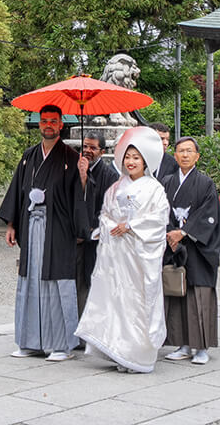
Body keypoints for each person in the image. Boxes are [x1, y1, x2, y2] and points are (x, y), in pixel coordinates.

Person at [0, 105, 90, 361]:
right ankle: (30, 342)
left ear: (61, 124)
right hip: (31, 227)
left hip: (58, 229)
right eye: (44, 121)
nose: (48, 125)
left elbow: (78, 197)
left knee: (58, 282)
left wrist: (82, 177)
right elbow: (17, 191)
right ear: (39, 124)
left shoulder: (71, 157)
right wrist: (11, 224)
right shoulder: (28, 156)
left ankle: (62, 344)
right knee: (30, 282)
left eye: (53, 121)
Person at [75, 126, 170, 373]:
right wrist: (110, 225)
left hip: (139, 256)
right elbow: (105, 214)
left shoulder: (155, 189)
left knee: (139, 302)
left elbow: (158, 220)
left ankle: (139, 356)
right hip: (117, 256)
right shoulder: (115, 188)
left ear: (145, 160)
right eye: (127, 157)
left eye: (136, 157)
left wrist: (130, 225)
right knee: (117, 301)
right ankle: (119, 351)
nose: (131, 162)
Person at [161, 137, 220, 365]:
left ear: (197, 156)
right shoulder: (167, 181)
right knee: (177, 294)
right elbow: (161, 211)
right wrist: (170, 233)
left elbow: (209, 214)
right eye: (180, 151)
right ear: (174, 155)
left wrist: (183, 233)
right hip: (174, 246)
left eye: (189, 151)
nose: (184, 155)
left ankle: (202, 346)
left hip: (198, 247)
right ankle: (183, 344)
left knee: (199, 295)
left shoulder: (205, 183)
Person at [76, 134, 120, 315]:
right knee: (75, 281)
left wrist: (88, 229)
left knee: (94, 282)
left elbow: (109, 209)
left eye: (93, 148)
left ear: (102, 152)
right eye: (85, 146)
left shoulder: (110, 175)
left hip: (96, 238)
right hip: (75, 237)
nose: (87, 151)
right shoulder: (74, 169)